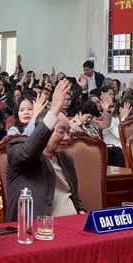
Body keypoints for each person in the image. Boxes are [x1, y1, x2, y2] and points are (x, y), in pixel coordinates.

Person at [5, 78, 85, 221]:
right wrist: (53, 111)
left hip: (74, 223)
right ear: (44, 130)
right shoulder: (17, 148)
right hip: (39, 228)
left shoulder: (66, 159)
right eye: (61, 131)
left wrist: (82, 214)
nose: (67, 138)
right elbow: (27, 153)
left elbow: (74, 196)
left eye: (69, 132)